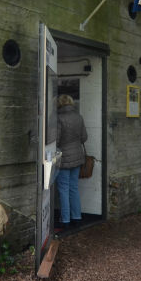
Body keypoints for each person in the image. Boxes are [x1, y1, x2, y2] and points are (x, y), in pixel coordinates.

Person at [55, 94, 88, 230]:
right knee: (73, 188)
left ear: (59, 104)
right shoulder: (78, 117)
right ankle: (77, 217)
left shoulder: (58, 118)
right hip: (77, 157)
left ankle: (65, 220)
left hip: (64, 158)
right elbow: (84, 137)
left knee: (63, 189)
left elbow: (55, 140)